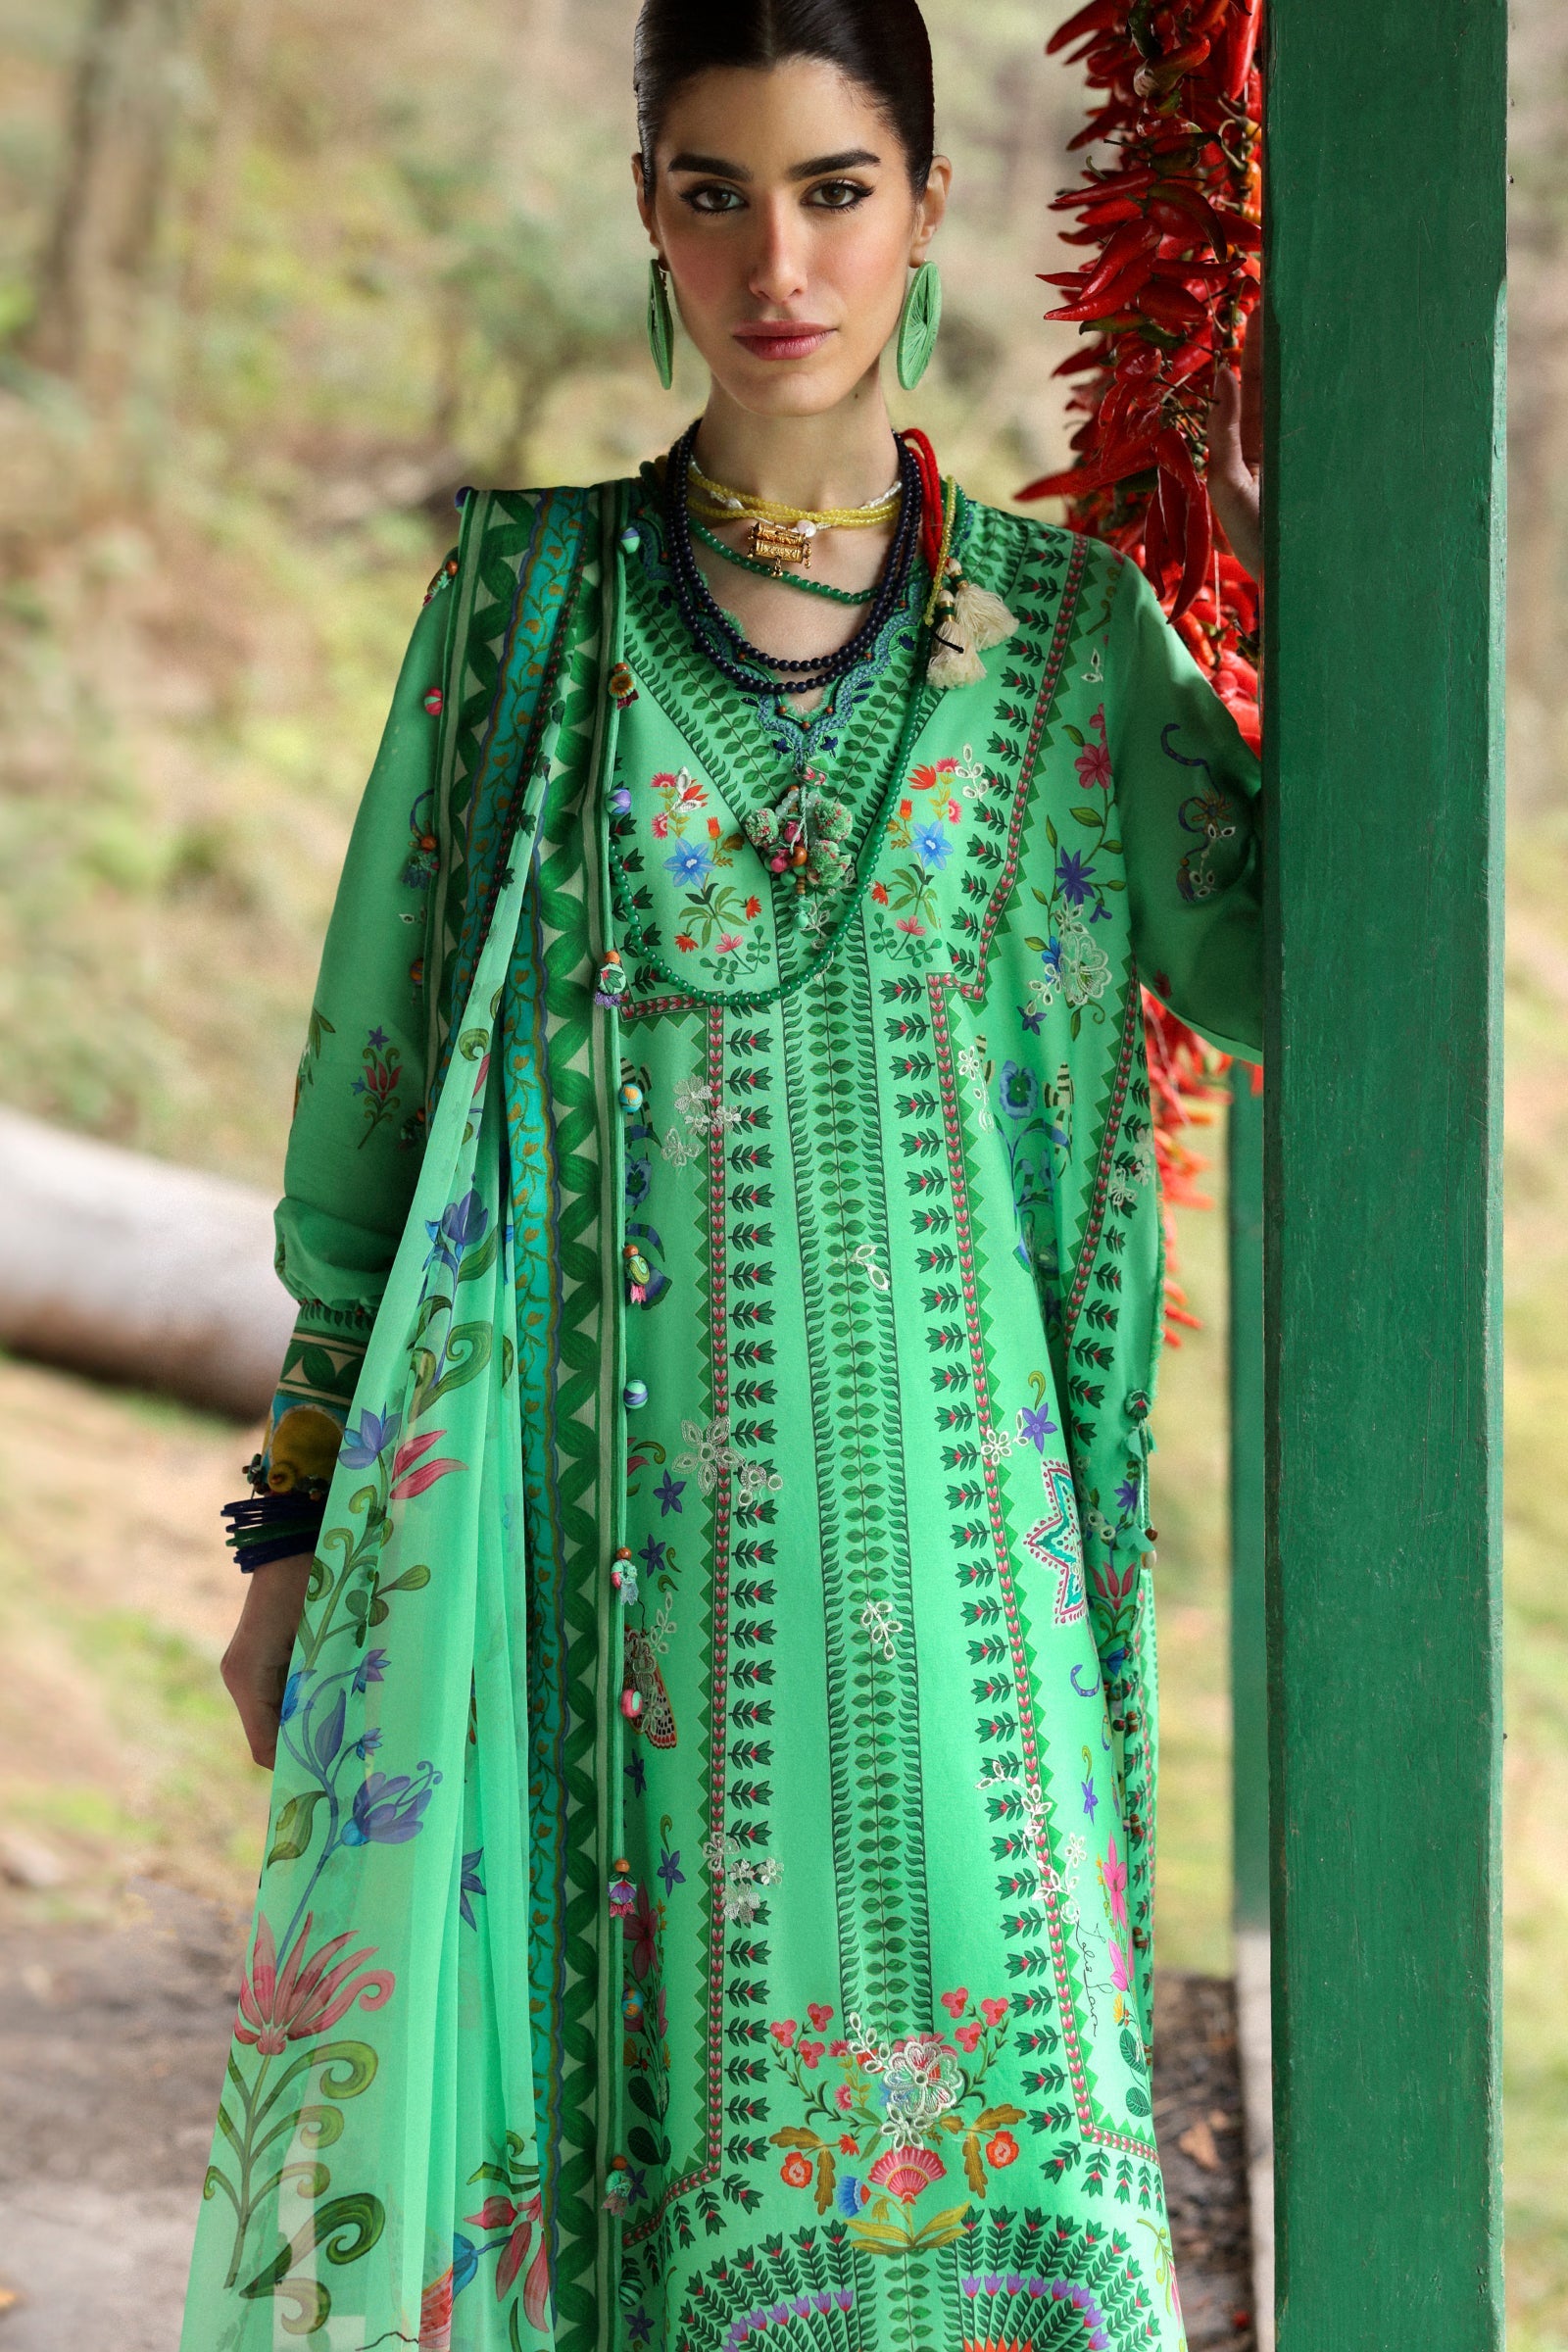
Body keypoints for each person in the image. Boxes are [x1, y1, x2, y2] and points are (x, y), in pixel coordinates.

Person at [187, 4, 1263, 2347]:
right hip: (598, 1599)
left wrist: (1304, 583)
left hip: (962, 1615)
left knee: (1015, 2223)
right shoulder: (522, 616)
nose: (777, 261)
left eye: (834, 191)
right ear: (648, 217)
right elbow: (377, 1107)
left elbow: (1291, 964)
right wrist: (293, 1525)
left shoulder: (1069, 648)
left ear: (928, 207)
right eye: (715, 193)